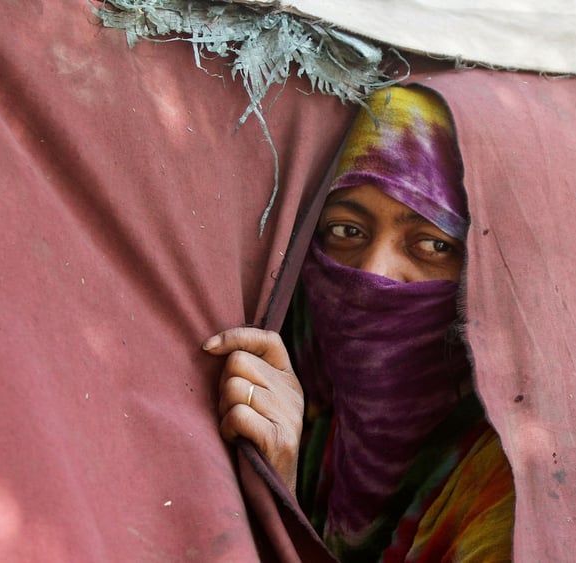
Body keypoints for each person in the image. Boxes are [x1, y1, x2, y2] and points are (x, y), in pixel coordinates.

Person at [203, 86, 514, 561]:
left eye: (433, 244)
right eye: (347, 230)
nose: (372, 274)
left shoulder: (511, 493)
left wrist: (277, 499)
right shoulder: (317, 413)